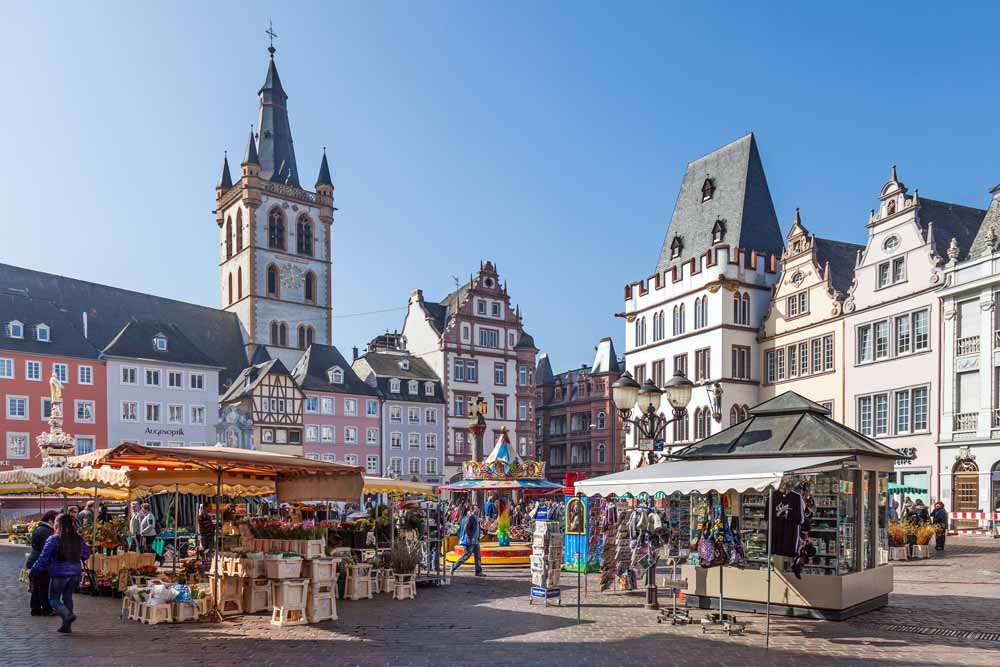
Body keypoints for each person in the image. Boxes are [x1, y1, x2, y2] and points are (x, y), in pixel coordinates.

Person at [29, 514, 91, 633]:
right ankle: (66, 626)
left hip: (59, 574)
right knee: (68, 597)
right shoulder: (78, 538)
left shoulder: (54, 539)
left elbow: (43, 558)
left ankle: (67, 615)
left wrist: (33, 571)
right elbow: (85, 555)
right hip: (75, 573)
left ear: (58, 524)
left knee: (53, 599)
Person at [27, 511, 58, 616]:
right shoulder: (46, 531)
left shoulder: (38, 528)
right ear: (50, 520)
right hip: (42, 561)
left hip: (35, 560)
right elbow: (48, 549)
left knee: (37, 586)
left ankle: (35, 608)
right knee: (44, 586)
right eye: (55, 521)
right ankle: (47, 609)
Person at [450, 506, 484, 577]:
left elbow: (476, 527)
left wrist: (483, 531)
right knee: (466, 556)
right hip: (470, 541)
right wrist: (470, 537)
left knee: (478, 556)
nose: (478, 510)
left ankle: (478, 571)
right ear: (473, 510)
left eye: (478, 508)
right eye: (476, 509)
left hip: (476, 541)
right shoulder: (470, 517)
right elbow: (466, 528)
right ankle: (454, 566)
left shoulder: (475, 518)